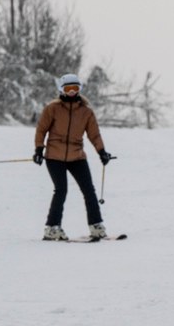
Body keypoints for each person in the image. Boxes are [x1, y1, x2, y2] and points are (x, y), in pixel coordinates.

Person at [32, 73, 114, 241]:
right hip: (55, 156)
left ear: (79, 89)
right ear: (61, 89)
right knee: (61, 190)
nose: (71, 92)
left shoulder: (86, 112)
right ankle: (52, 228)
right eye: (68, 88)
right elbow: (41, 130)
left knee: (89, 191)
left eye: (75, 88)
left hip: (77, 157)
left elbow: (94, 135)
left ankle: (96, 226)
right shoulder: (52, 109)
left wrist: (102, 152)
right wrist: (39, 150)